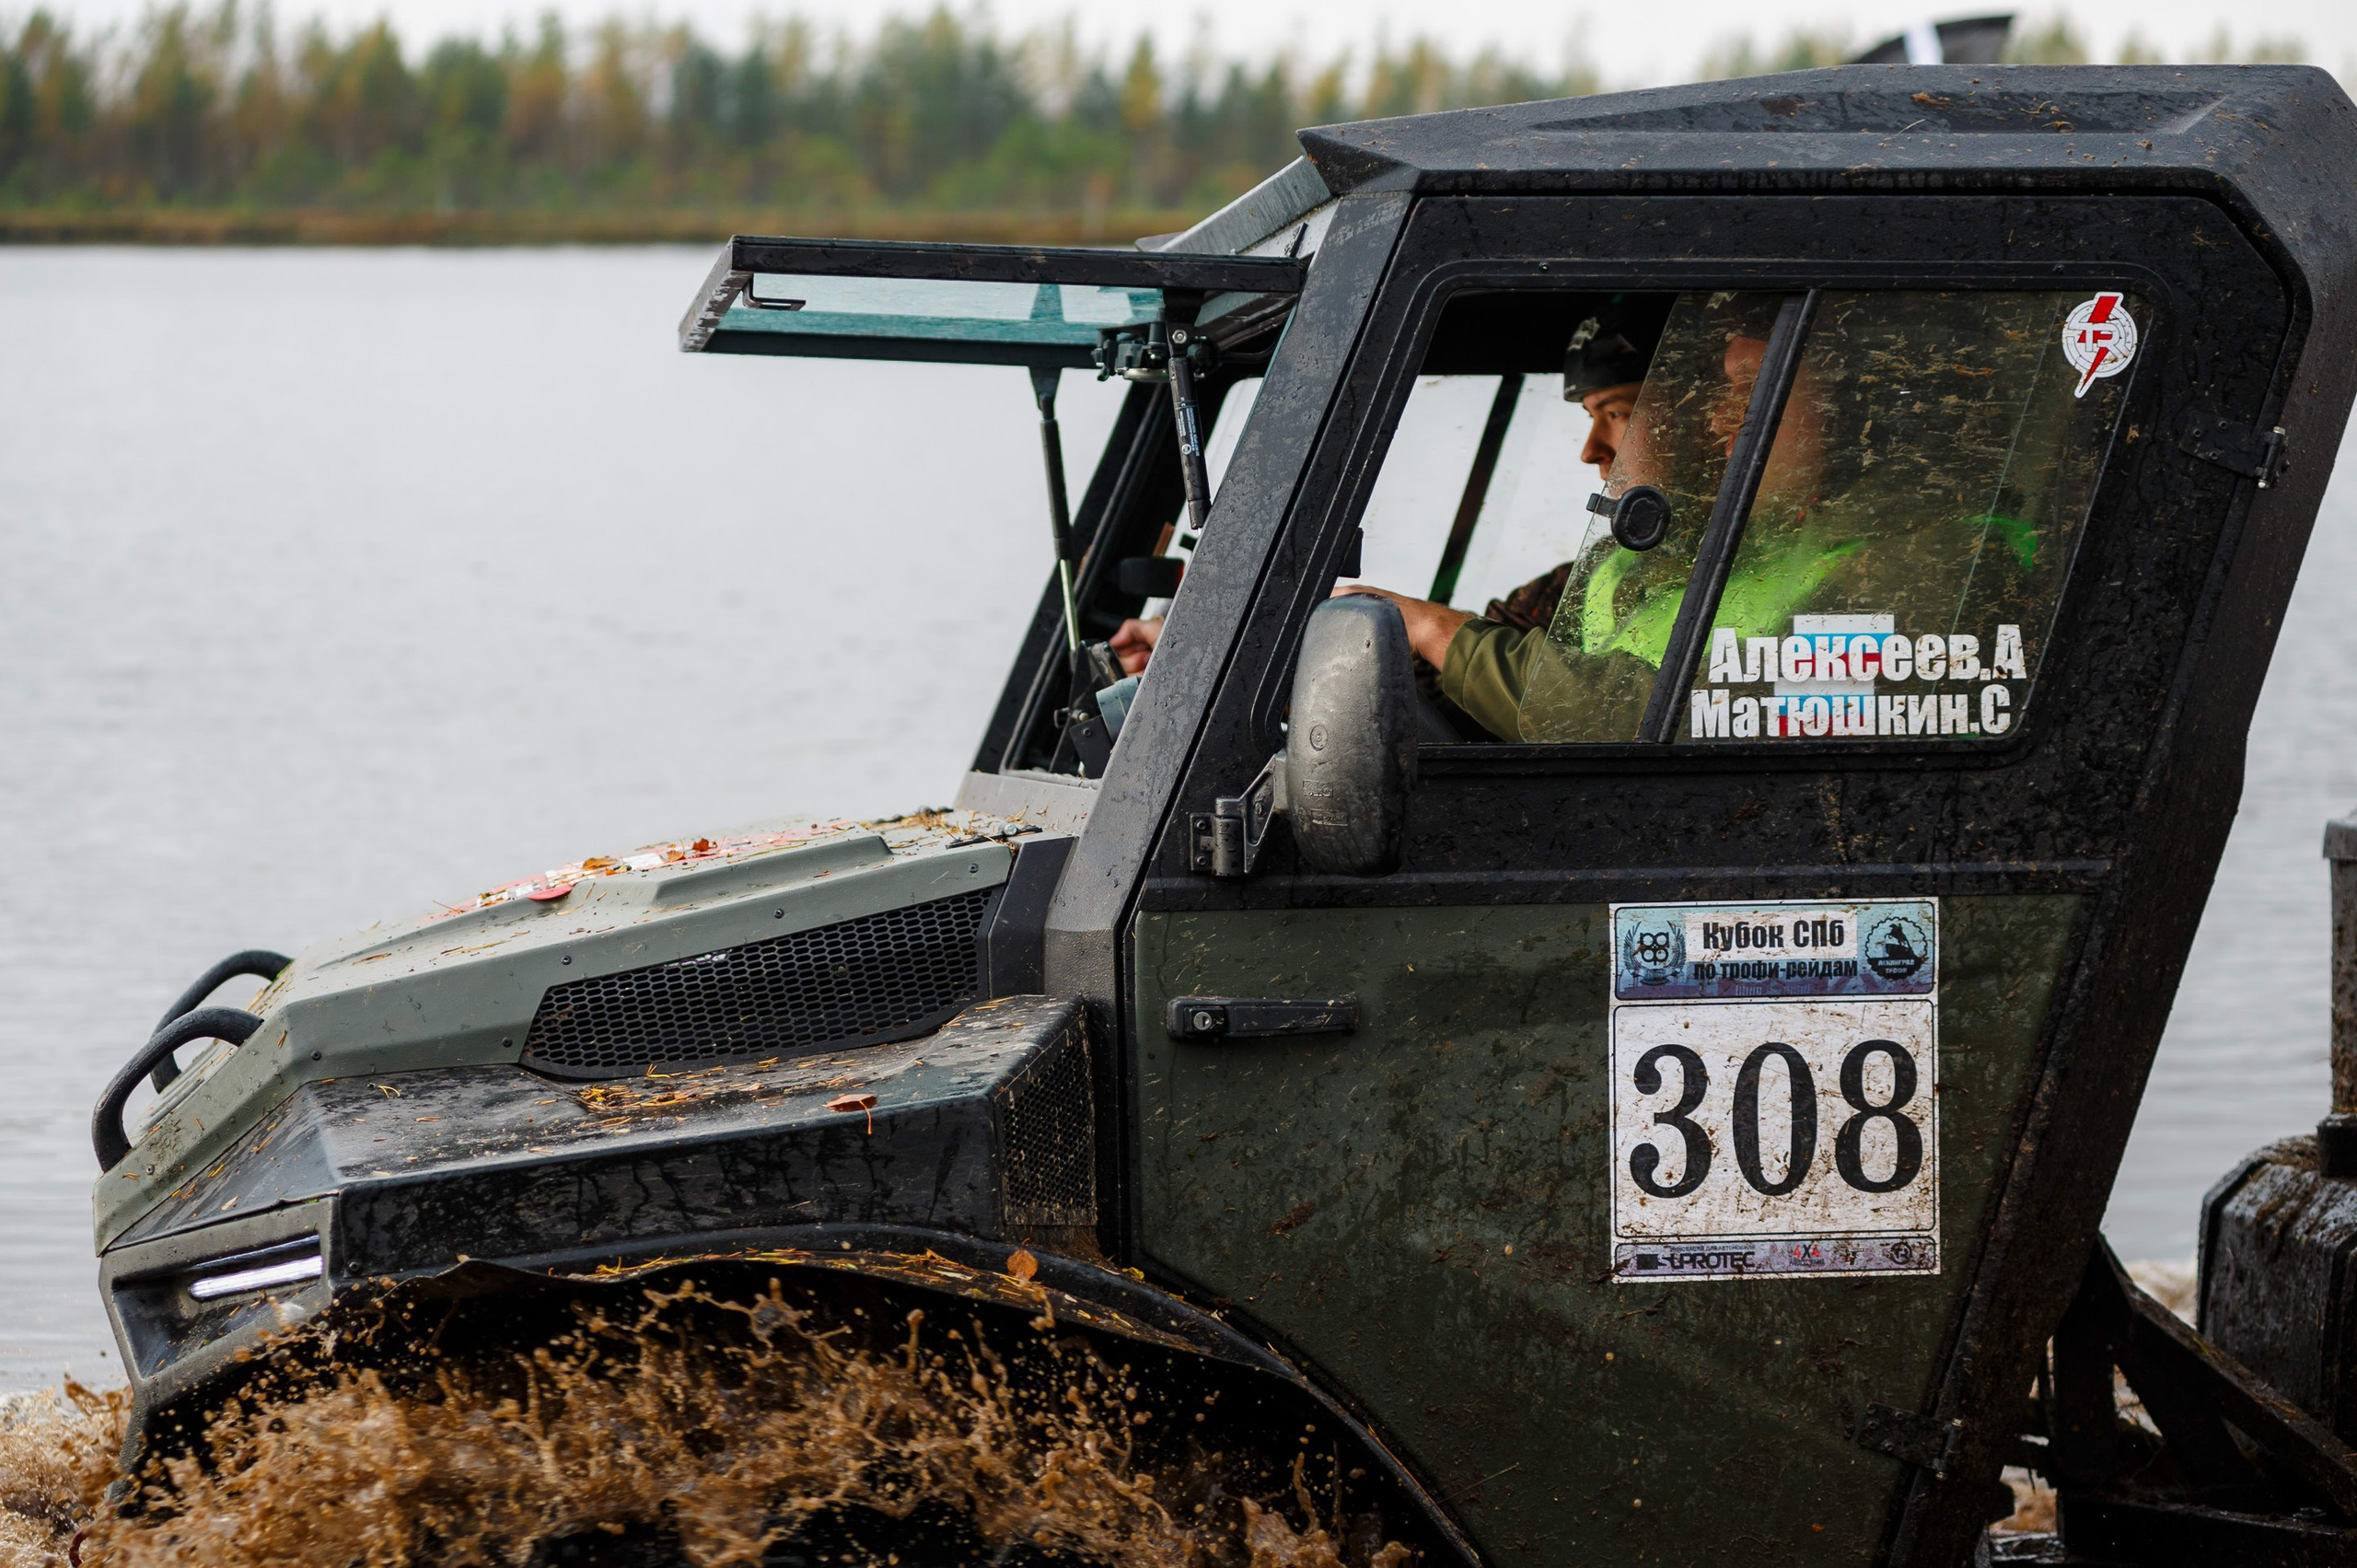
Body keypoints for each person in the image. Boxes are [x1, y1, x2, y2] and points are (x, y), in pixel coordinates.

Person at [1107, 295, 1665, 689]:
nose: (1591, 450)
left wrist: (1420, 622)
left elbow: (1607, 714)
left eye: (1616, 413)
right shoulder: (1591, 576)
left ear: (1716, 410)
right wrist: (1214, 654)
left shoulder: (1737, 582)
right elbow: (1448, 673)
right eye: (1591, 417)